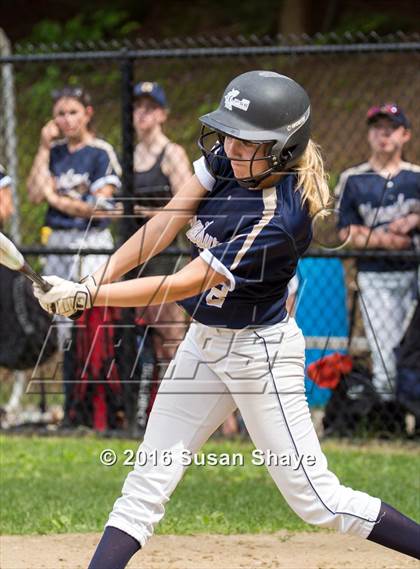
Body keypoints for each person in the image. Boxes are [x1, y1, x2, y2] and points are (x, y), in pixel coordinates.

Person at [34, 72, 419, 567]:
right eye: (229, 134)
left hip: (260, 356)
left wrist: (93, 296)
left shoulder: (278, 220)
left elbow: (179, 284)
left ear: (283, 149)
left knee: (317, 501)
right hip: (205, 342)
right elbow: (163, 224)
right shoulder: (228, 160)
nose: (231, 146)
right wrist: (91, 281)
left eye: (247, 140)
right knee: (147, 479)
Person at [27, 87, 123, 430]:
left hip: (90, 241)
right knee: (64, 324)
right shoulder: (52, 153)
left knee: (91, 320)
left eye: (72, 112)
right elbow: (36, 193)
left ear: (88, 113)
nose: (65, 120)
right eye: (60, 113)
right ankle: (73, 409)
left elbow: (103, 209)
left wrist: (58, 199)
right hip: (59, 241)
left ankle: (101, 409)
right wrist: (41, 147)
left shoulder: (100, 153)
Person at [335, 103, 420, 429]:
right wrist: (391, 239)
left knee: (410, 352)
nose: (383, 134)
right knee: (384, 356)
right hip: (374, 276)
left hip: (413, 276)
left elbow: (360, 232)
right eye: (377, 128)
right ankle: (390, 422)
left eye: (391, 128)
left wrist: (414, 218)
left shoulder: (415, 177)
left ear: (405, 134)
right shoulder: (354, 179)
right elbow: (346, 233)